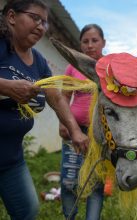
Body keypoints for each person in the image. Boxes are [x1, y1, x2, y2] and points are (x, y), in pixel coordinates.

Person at [0, 1, 89, 219]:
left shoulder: (39, 61)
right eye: (35, 18)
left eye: (45, 23)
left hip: (11, 159)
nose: (41, 27)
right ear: (11, 16)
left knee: (27, 211)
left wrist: (75, 131)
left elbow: (56, 98)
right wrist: (5, 86)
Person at [59, 24, 106, 220]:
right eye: (85, 41)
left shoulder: (109, 67)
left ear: (103, 42)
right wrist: (63, 122)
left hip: (100, 134)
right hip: (74, 130)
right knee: (69, 181)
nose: (89, 45)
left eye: (94, 40)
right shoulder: (73, 66)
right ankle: (70, 217)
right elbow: (64, 96)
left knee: (95, 183)